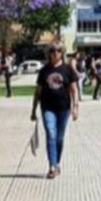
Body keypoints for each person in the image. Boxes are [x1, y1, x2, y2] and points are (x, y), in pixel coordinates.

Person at [31, 44, 79, 180]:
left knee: (59, 138)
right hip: (47, 108)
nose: (55, 53)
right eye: (52, 51)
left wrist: (75, 107)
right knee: (51, 134)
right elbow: (38, 92)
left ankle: (57, 163)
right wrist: (33, 109)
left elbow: (74, 90)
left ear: (62, 53)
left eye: (58, 51)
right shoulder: (44, 71)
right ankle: (52, 166)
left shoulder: (68, 70)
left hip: (64, 108)